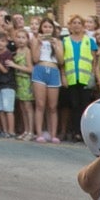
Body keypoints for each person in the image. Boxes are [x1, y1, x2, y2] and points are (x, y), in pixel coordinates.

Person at [29, 15, 63, 143]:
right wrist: (38, 43)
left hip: (53, 71)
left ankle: (53, 134)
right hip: (40, 70)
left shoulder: (58, 41)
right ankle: (39, 133)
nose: (47, 29)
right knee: (40, 104)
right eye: (45, 26)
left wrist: (55, 46)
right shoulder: (35, 39)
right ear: (41, 28)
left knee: (53, 106)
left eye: (50, 27)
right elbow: (35, 58)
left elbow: (60, 60)